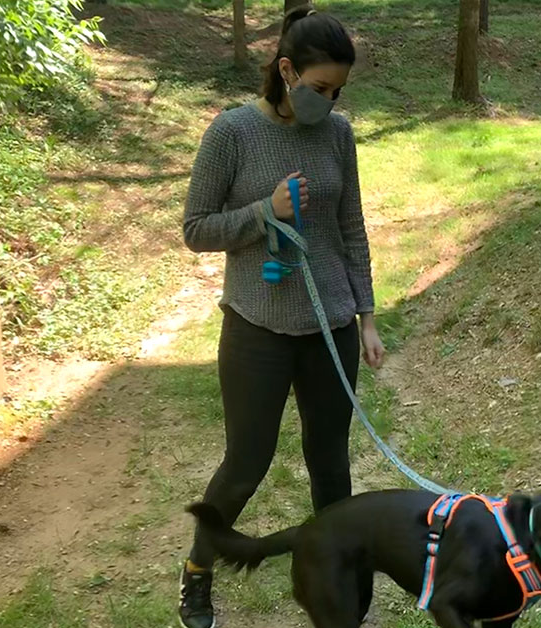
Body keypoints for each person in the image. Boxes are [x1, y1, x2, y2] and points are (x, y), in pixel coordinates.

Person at [177, 6, 382, 628]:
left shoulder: (338, 134)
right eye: (320, 87)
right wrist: (263, 210)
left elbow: (351, 227)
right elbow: (195, 230)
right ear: (286, 70)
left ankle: (339, 586)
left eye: (338, 90)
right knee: (246, 464)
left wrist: (365, 317)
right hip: (257, 327)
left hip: (330, 328)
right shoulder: (233, 132)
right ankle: (198, 570)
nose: (329, 99)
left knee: (331, 466)